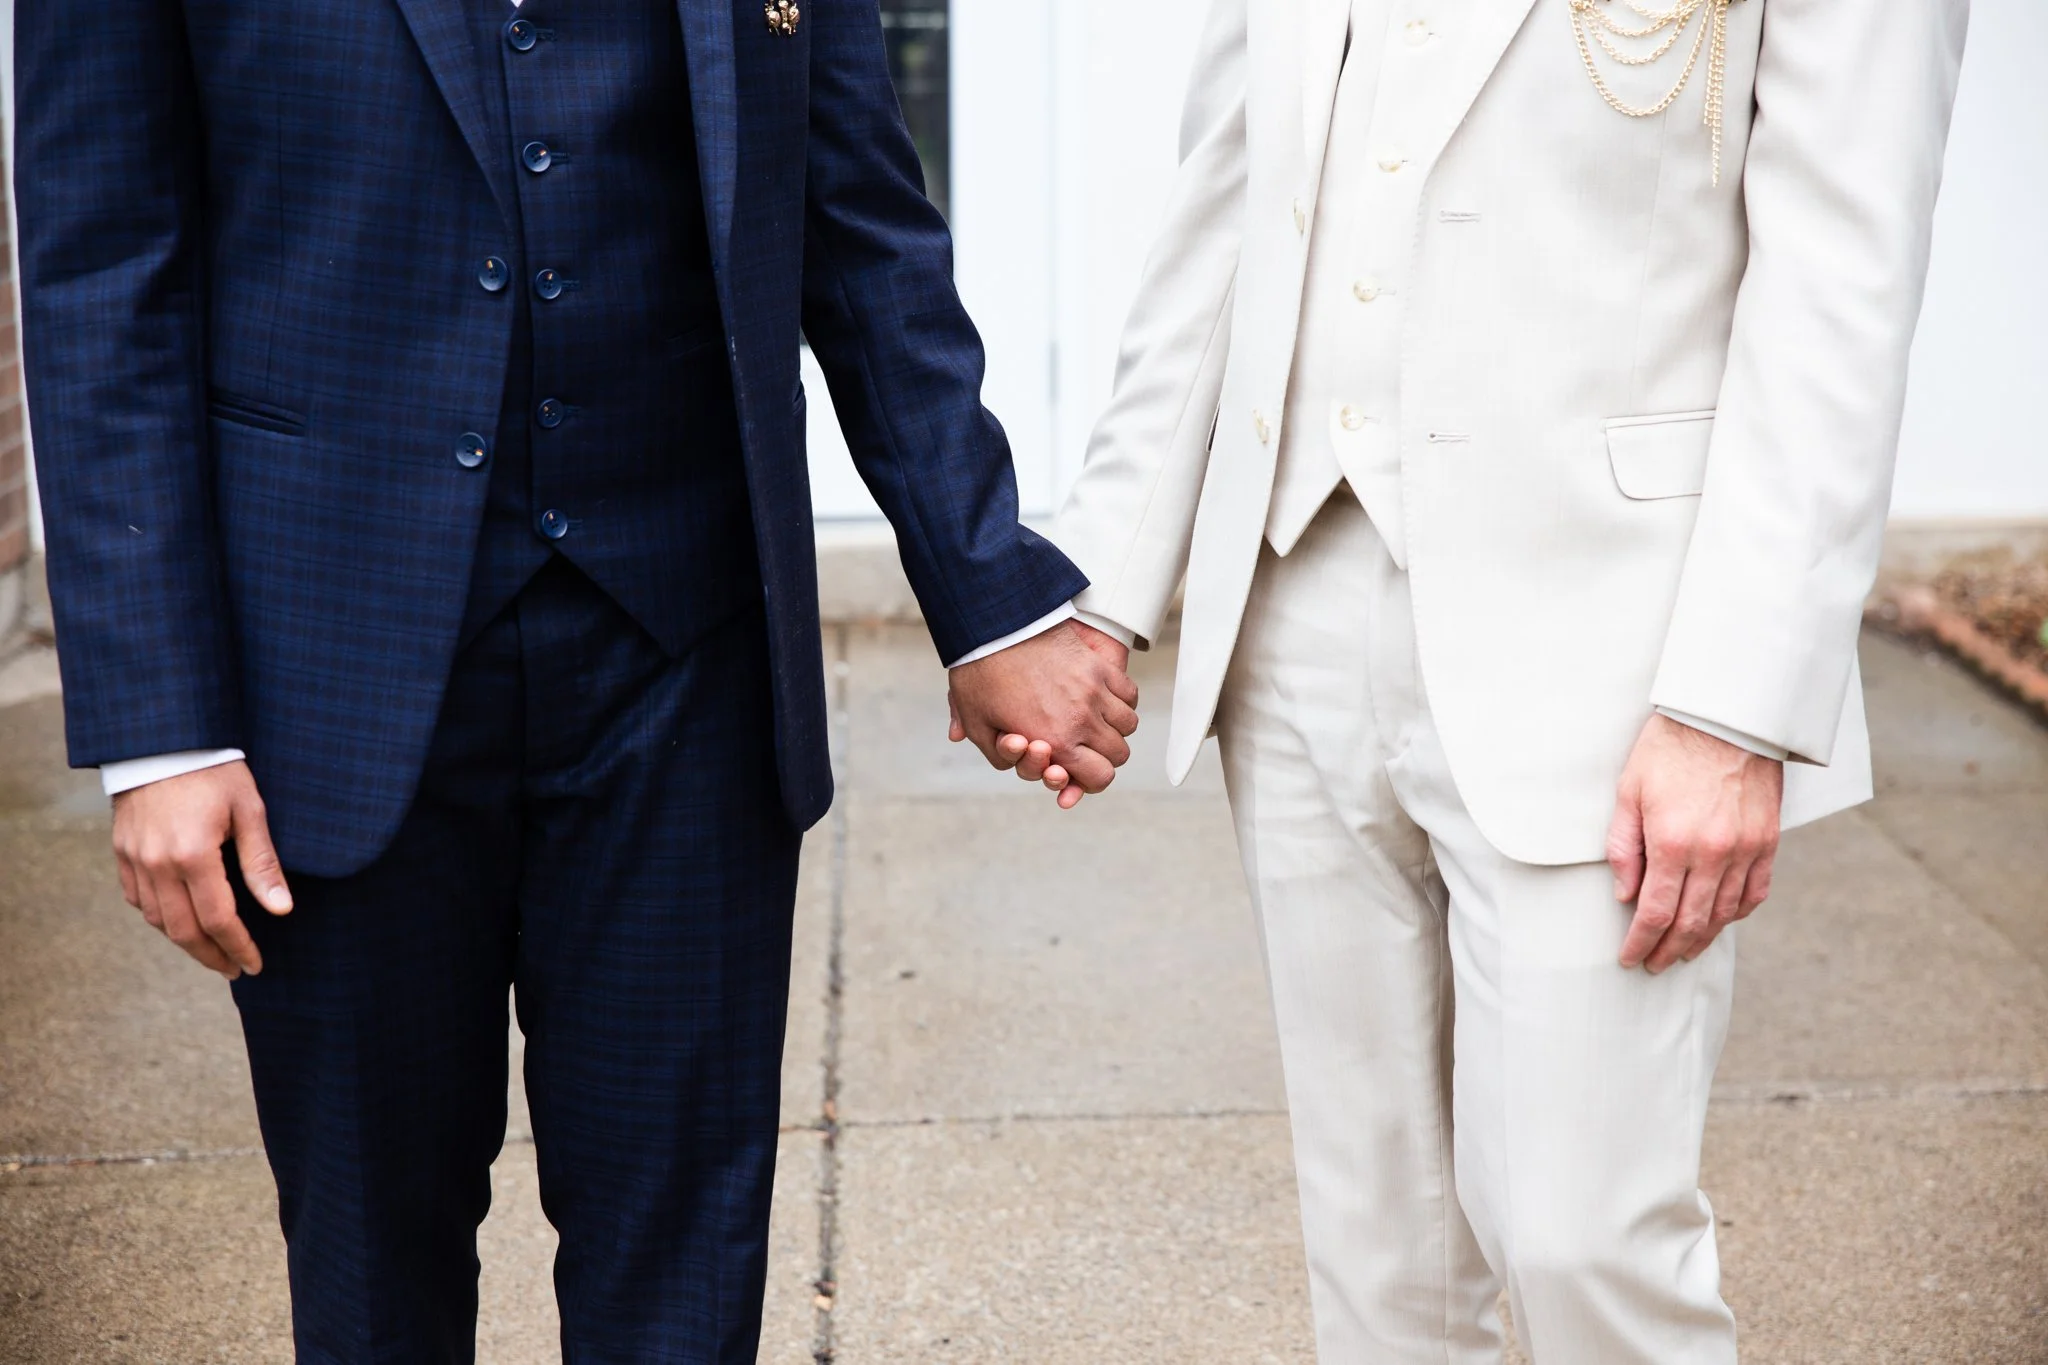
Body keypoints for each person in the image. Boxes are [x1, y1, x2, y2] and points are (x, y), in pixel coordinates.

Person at [14, 0, 1134, 1357]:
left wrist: (989, 600)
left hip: (688, 653)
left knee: (683, 1276)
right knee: (373, 1281)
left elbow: (851, 206)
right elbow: (102, 259)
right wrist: (161, 725)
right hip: (329, 657)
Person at [959, 0, 1970, 1358]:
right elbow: (1231, 208)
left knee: (1584, 1242)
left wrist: (1738, 705)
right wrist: (1092, 597)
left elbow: (1842, 284)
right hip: (1298, 599)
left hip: (1623, 643)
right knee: (1381, 1262)